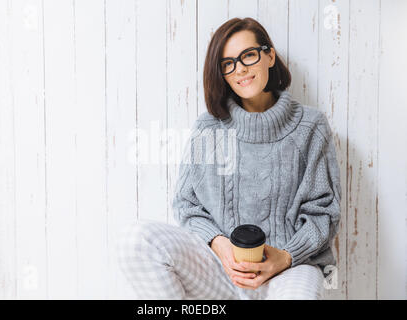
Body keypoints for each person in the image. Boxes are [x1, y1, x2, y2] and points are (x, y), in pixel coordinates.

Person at [116, 17, 341, 300]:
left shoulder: (311, 126)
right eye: (228, 63)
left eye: (248, 55)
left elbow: (325, 214)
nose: (241, 70)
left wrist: (284, 257)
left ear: (269, 55)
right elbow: (187, 205)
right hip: (221, 271)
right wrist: (221, 246)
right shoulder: (208, 128)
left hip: (290, 267)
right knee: (136, 240)